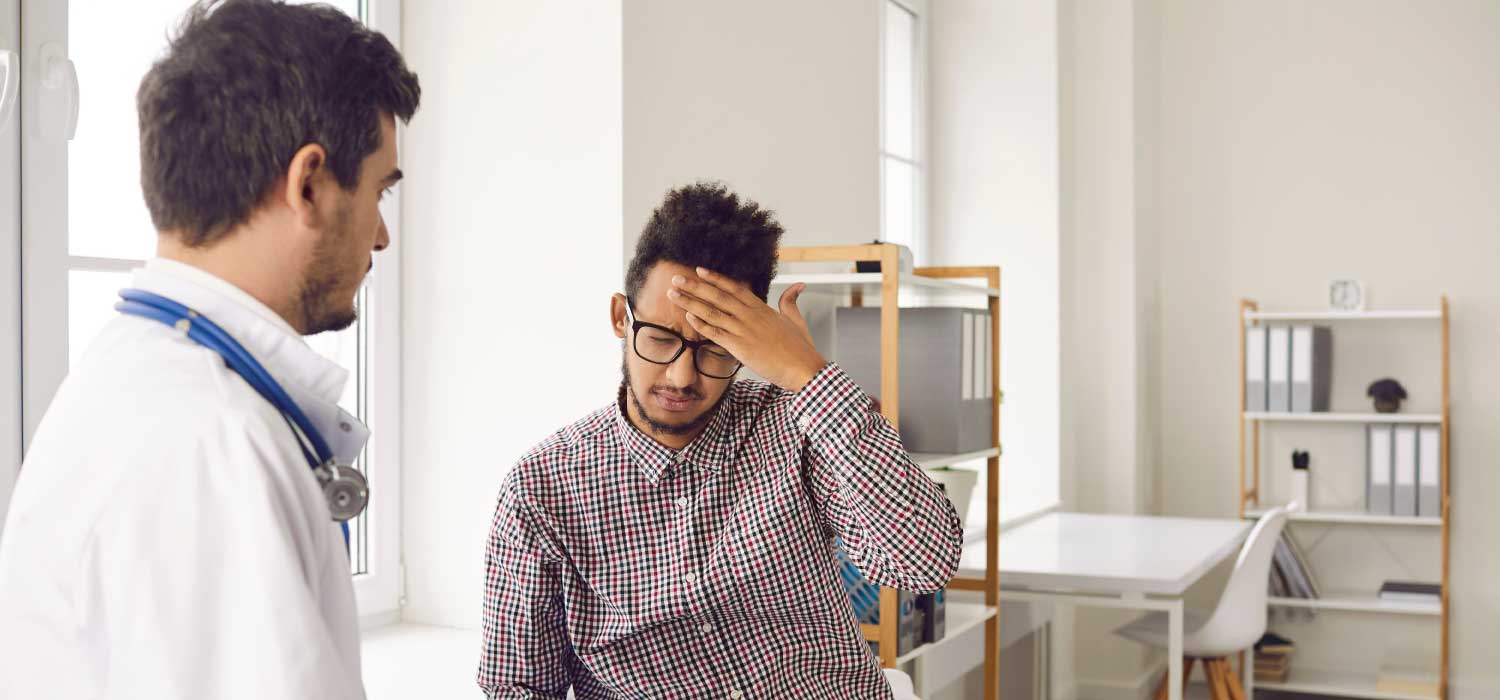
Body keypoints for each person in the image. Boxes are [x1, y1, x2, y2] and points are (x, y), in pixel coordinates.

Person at [0, 1, 419, 697]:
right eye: (379, 192)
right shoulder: (212, 444)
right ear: (309, 184)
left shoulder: (138, 381)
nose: (381, 236)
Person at [477, 182, 963, 698]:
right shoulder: (541, 490)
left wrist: (806, 373)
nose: (683, 377)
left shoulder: (795, 424)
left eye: (716, 349)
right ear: (622, 318)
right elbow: (520, 689)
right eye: (661, 339)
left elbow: (924, 561)